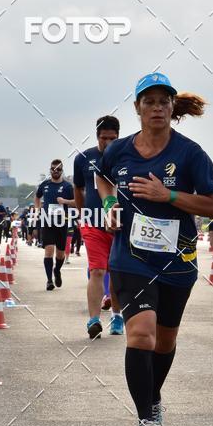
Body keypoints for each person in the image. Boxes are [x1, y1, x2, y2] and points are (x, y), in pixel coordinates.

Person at [97, 72, 213, 426]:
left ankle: (152, 400)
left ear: (171, 108)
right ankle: (146, 420)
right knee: (141, 334)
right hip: (129, 258)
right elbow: (102, 178)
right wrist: (107, 205)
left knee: (165, 340)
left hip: (177, 261)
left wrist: (165, 195)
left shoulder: (191, 153)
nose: (157, 108)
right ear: (137, 108)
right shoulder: (118, 150)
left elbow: (212, 205)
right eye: (148, 102)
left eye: (163, 101)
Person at [74, 116, 124, 337]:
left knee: (118, 272)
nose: (108, 143)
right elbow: (78, 188)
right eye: (104, 138)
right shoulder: (83, 158)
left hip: (121, 224)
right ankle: (93, 320)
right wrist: (82, 212)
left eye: (113, 138)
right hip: (92, 222)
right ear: (97, 137)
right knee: (97, 270)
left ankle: (117, 316)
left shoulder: (126, 156)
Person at [35, 160, 75, 291]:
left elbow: (77, 202)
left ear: (62, 170)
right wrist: (37, 209)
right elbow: (37, 196)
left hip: (61, 223)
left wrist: (65, 201)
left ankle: (57, 270)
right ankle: (49, 280)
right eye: (53, 169)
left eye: (58, 169)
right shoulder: (45, 184)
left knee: (60, 254)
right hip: (47, 222)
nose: (55, 171)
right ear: (50, 170)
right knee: (49, 251)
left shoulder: (68, 187)